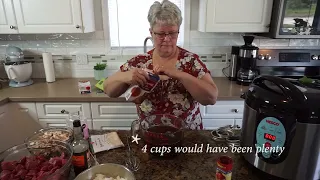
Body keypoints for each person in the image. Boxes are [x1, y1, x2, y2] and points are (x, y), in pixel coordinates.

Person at [104, 0, 218, 130]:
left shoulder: (191, 62)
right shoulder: (139, 63)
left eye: (173, 33)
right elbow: (108, 89)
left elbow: (211, 98)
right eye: (161, 34)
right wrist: (127, 76)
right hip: (151, 134)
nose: (167, 39)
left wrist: (180, 75)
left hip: (187, 135)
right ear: (151, 32)